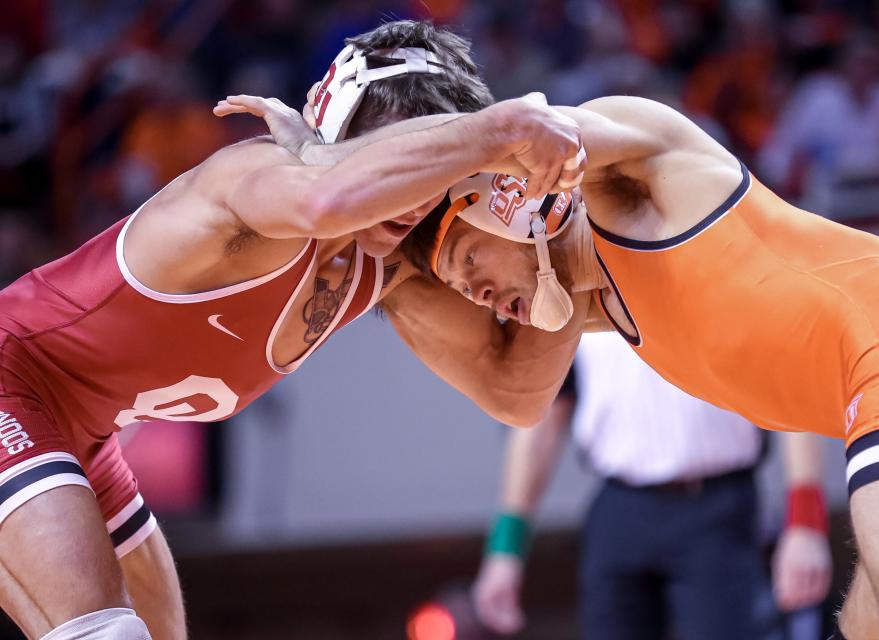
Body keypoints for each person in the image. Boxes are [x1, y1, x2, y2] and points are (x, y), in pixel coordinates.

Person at [0, 21, 588, 640]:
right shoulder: (253, 174)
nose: (412, 198)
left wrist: (581, 241)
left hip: (86, 430)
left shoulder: (389, 266)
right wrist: (508, 125)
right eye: (398, 159)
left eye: (433, 174)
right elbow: (324, 202)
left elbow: (515, 394)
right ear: (336, 139)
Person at [384, 94, 879, 638]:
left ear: (507, 199)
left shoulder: (630, 184)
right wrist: (369, 260)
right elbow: (507, 391)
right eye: (463, 288)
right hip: (875, 387)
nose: (478, 295)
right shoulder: (595, 305)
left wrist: (346, 170)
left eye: (470, 261)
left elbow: (537, 133)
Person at [471, 332, 832, 639]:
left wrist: (805, 524)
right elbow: (543, 420)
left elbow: (791, 384)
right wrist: (505, 549)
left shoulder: (728, 263)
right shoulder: (574, 280)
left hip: (716, 509)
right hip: (620, 507)